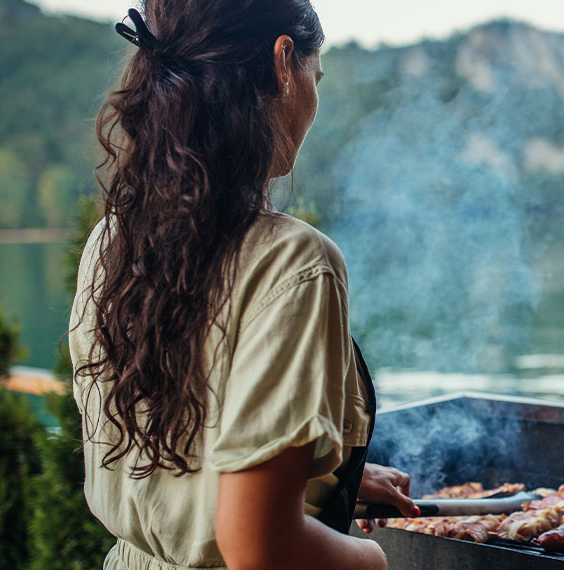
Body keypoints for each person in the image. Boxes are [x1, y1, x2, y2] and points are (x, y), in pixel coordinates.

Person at [69, 1, 415, 568]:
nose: (314, 101)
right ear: (284, 63)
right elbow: (259, 547)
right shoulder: (295, 262)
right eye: (315, 76)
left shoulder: (112, 240)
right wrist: (375, 561)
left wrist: (317, 481)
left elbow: (180, 456)